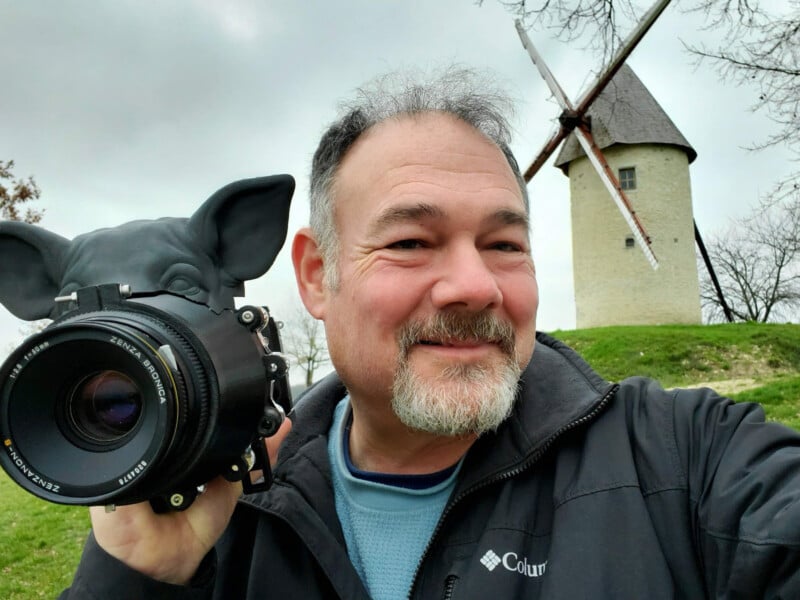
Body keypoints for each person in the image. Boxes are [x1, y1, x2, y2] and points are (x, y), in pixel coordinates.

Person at [61, 68, 800, 599]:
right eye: (412, 242)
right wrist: (132, 580)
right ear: (317, 276)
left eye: (505, 245)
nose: (476, 285)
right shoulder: (225, 524)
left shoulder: (689, 459)